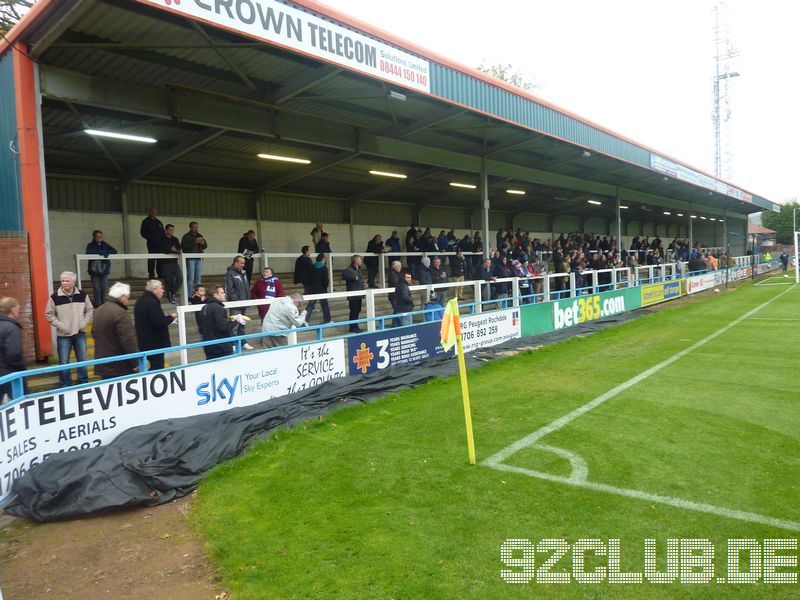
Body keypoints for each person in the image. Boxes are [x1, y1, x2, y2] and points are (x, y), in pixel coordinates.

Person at [45, 271, 93, 388]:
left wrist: (83, 323)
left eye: (67, 281)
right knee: (64, 362)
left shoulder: (82, 295)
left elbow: (90, 309)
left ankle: (83, 383)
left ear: (74, 282)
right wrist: (61, 325)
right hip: (63, 335)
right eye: (62, 281)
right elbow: (49, 314)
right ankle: (65, 385)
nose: (64, 283)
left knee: (82, 360)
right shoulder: (54, 297)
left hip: (80, 332)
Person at [92, 282, 138, 380]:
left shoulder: (98, 310)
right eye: (127, 297)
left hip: (102, 362)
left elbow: (93, 333)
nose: (127, 300)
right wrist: (136, 362)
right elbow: (128, 340)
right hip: (119, 365)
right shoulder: (120, 313)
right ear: (122, 297)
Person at [134, 280, 177, 372]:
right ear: (154, 289)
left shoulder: (140, 301)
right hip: (155, 344)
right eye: (161, 288)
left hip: (144, 342)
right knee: (157, 369)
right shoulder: (152, 303)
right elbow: (158, 322)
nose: (163, 290)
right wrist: (171, 317)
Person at [200, 284, 239, 359]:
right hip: (221, 347)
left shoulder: (204, 308)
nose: (224, 294)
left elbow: (201, 328)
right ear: (215, 295)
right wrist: (235, 321)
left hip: (208, 347)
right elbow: (223, 327)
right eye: (222, 293)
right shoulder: (218, 308)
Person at [0, 297, 26, 402]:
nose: (19, 311)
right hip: (11, 375)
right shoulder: (12, 328)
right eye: (18, 308)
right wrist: (22, 367)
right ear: (12, 309)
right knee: (21, 403)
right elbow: (14, 354)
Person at [224, 255, 252, 349]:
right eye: (241, 263)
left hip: (244, 302)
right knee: (234, 325)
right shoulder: (229, 273)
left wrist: (248, 299)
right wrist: (235, 300)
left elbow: (246, 287)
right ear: (235, 262)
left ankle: (243, 342)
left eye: (244, 263)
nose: (243, 265)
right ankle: (233, 344)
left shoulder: (243, 273)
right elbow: (229, 289)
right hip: (236, 304)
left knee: (242, 324)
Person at [85, 230, 118, 308]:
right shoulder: (90, 245)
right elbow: (88, 252)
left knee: (104, 288)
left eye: (100, 236)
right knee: (96, 287)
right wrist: (100, 252)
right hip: (94, 270)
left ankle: (105, 304)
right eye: (97, 236)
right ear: (94, 237)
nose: (99, 238)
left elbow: (115, 251)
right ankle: (98, 304)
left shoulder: (104, 244)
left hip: (104, 270)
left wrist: (106, 252)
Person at [181, 221, 208, 292]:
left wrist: (202, 242)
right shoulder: (186, 236)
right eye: (194, 227)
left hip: (198, 258)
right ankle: (189, 295)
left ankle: (198, 295)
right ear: (190, 227)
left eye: (197, 227)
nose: (196, 229)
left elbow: (205, 246)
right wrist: (194, 242)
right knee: (190, 278)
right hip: (190, 259)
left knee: (198, 278)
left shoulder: (199, 235)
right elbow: (184, 247)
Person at [341, 255, 365, 333]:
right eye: (359, 260)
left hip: (359, 293)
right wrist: (354, 277)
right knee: (353, 311)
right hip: (353, 294)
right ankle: (352, 327)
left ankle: (355, 326)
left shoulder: (359, 269)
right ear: (356, 261)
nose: (361, 261)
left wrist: (363, 283)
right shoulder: (350, 270)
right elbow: (344, 275)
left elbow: (360, 279)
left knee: (358, 310)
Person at [159, 224, 182, 303]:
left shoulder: (175, 239)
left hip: (174, 262)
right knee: (168, 281)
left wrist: (176, 250)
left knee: (180, 277)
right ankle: (170, 297)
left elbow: (179, 248)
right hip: (165, 263)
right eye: (170, 229)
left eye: (172, 229)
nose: (171, 231)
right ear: (166, 230)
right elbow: (162, 249)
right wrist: (171, 249)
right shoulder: (162, 239)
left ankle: (173, 292)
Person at [140, 207, 165, 279]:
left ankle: (160, 274)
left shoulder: (159, 222)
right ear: (150, 212)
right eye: (152, 211)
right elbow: (143, 232)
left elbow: (163, 233)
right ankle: (151, 274)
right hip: (151, 244)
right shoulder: (146, 221)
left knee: (160, 259)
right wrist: (151, 239)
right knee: (152, 259)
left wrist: (162, 241)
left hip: (160, 244)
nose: (153, 213)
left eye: (155, 211)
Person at [307, 253, 331, 324]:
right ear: (323, 259)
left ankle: (305, 320)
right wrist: (326, 286)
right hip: (322, 289)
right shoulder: (324, 269)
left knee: (310, 305)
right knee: (325, 305)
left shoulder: (311, 267)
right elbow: (325, 281)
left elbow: (308, 278)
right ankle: (327, 320)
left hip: (312, 289)